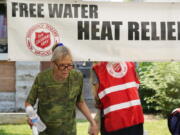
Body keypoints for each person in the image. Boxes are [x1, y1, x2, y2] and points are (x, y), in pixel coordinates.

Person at [25, 43, 98, 135]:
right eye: (62, 65)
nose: (66, 69)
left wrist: (93, 123)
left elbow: (80, 102)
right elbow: (28, 102)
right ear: (53, 64)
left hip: (69, 131)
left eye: (69, 65)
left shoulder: (77, 77)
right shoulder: (42, 78)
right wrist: (31, 116)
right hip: (45, 131)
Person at [91, 62, 144, 135]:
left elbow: (97, 98)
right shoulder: (130, 63)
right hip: (135, 117)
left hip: (114, 120)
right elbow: (136, 86)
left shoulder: (97, 68)